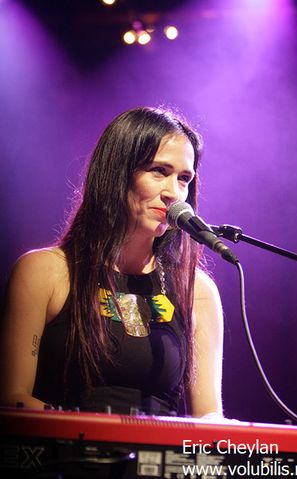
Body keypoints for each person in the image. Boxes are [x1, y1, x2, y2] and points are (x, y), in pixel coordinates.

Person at [0, 106, 224, 418]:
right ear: (118, 173)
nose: (174, 192)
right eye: (159, 171)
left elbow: (209, 416)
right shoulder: (45, 273)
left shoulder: (197, 291)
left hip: (157, 457)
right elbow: (13, 397)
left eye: (184, 178)